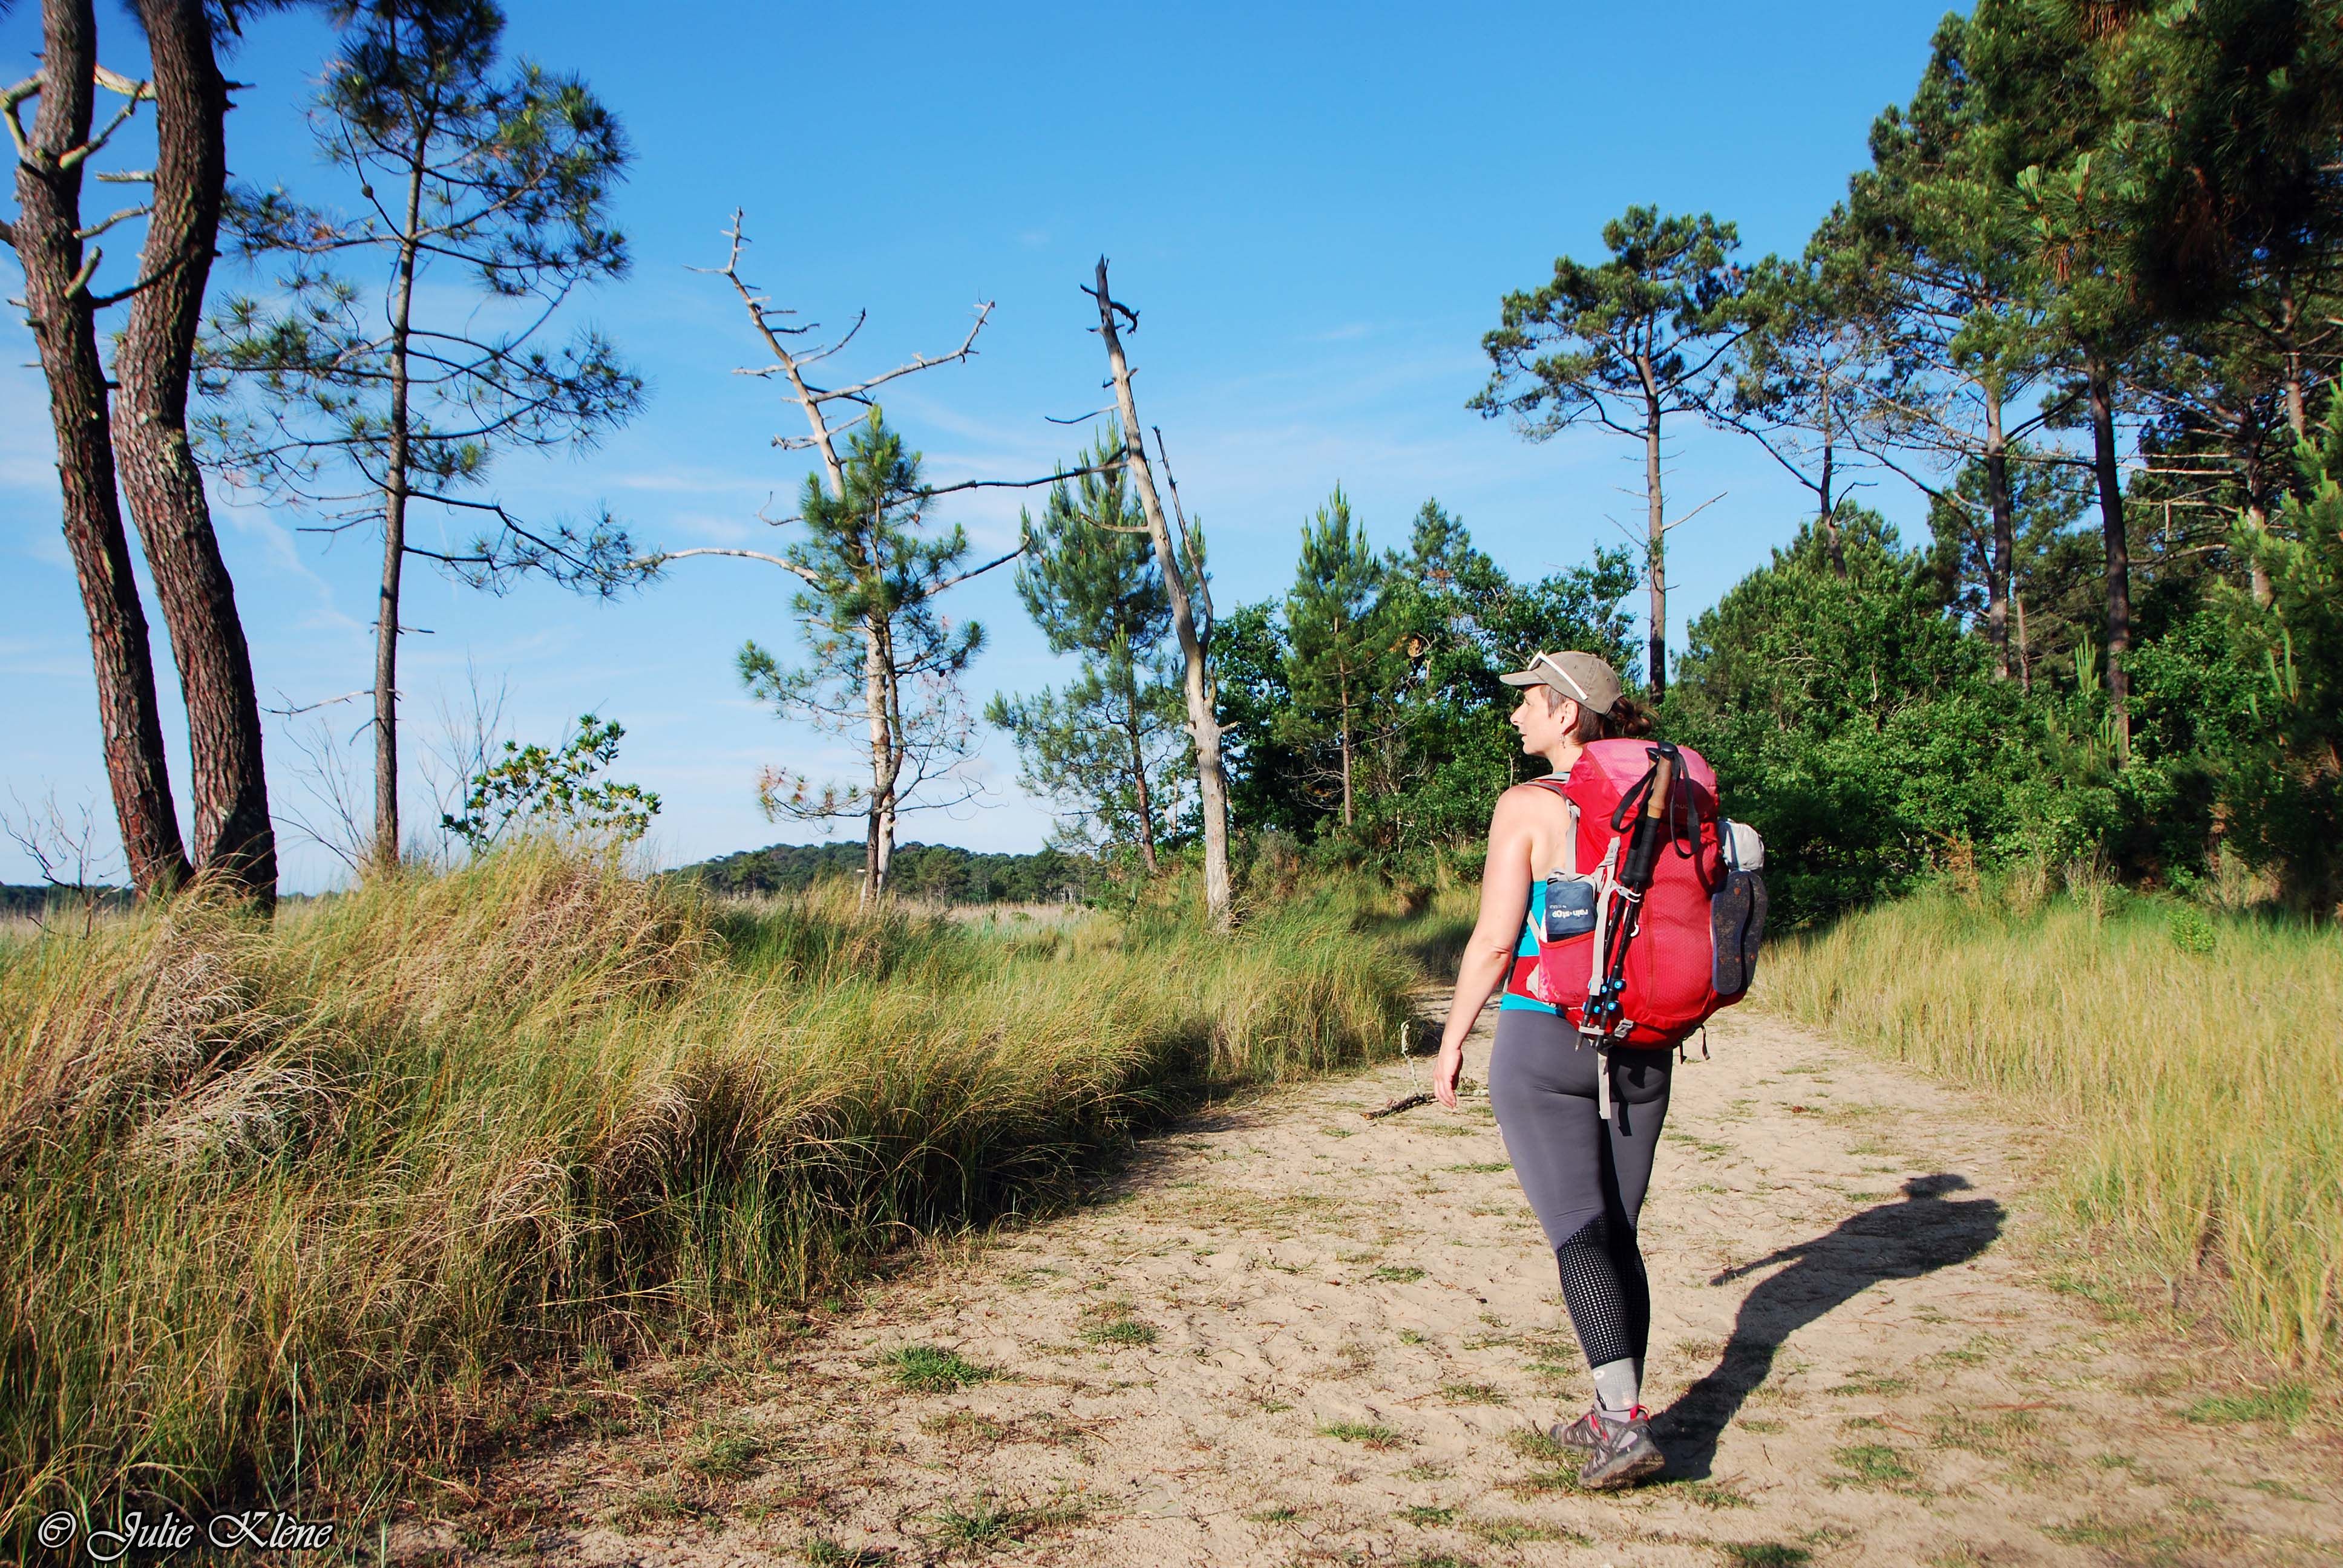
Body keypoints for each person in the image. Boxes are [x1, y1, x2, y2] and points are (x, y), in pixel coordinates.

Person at [1429, 648, 1671, 1491]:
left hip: (1544, 1038)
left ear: (1568, 713)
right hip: (1644, 1040)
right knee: (1619, 1233)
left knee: (1580, 1229)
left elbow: (1496, 941)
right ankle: (1612, 1410)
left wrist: (1454, 1037)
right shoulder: (1663, 797)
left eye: (1528, 702)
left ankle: (1625, 1424)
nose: (1516, 715)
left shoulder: (1528, 805)